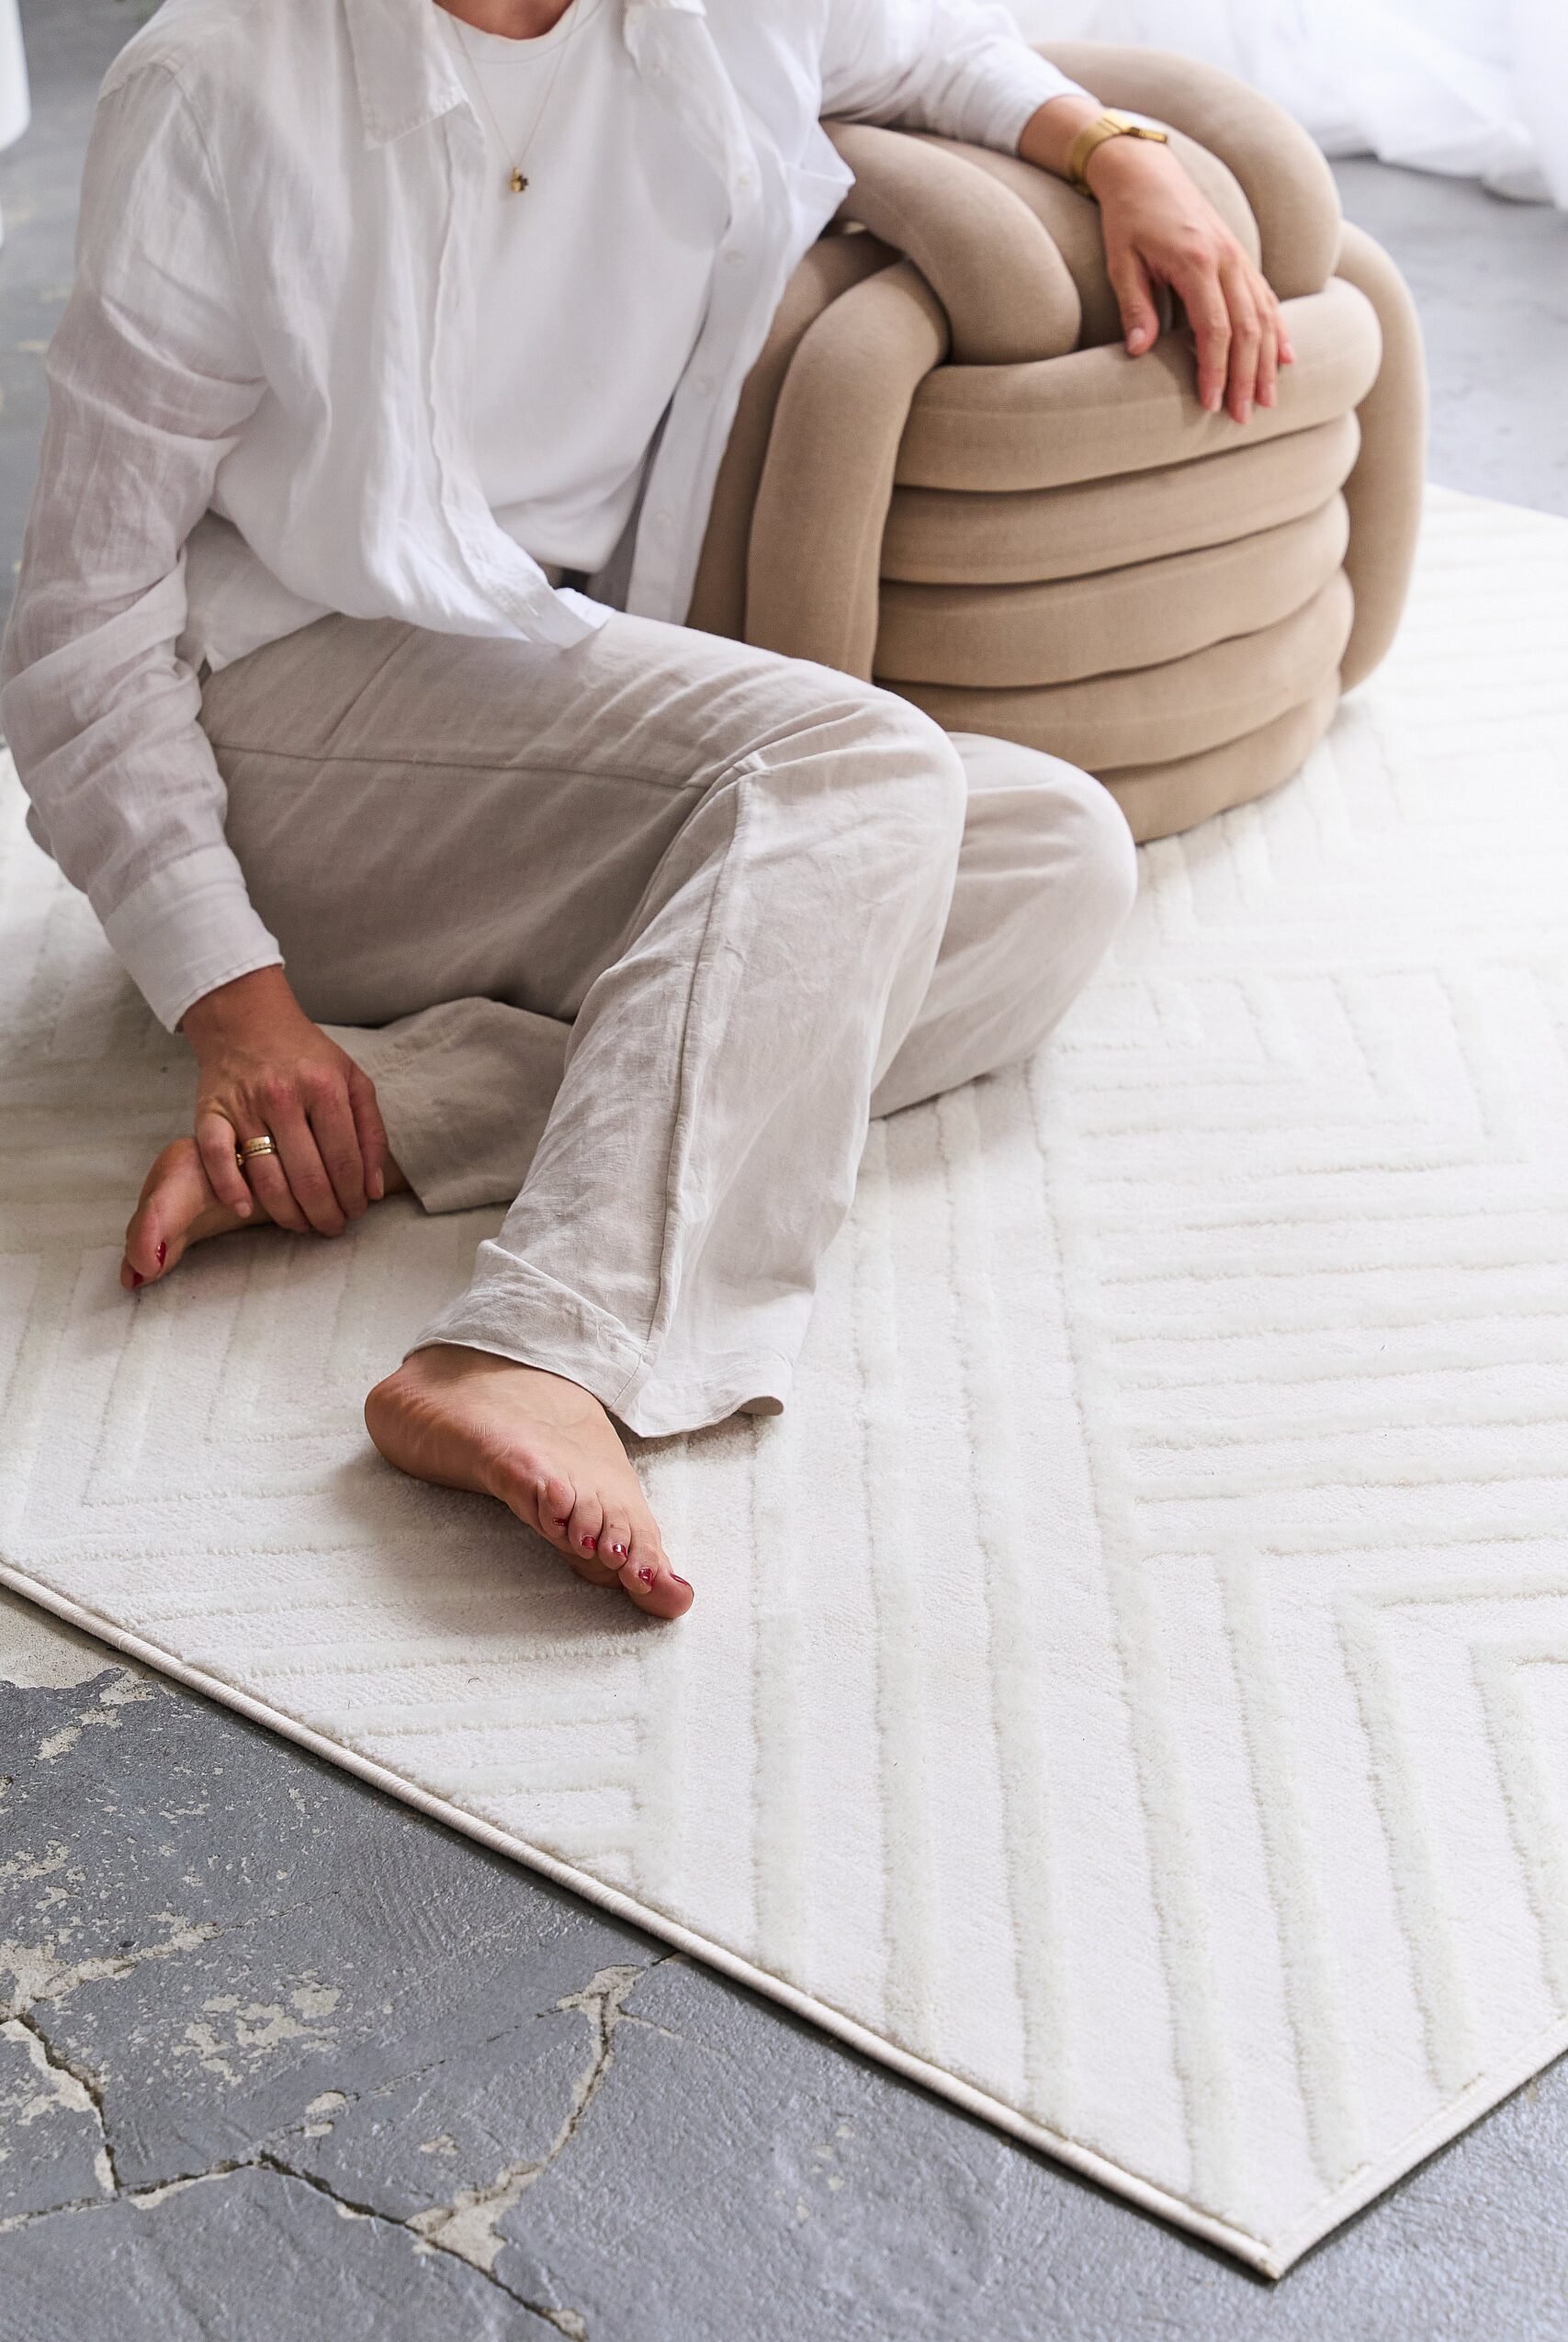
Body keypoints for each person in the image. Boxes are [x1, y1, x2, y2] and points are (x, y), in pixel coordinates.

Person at [0, 0, 1291, 1619]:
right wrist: (236, 1004)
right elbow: (83, 624)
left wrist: (1116, 152)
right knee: (861, 768)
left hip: (538, 689)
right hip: (278, 731)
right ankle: (543, 1346)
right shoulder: (218, 81)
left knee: (1050, 853)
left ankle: (406, 1107)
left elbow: (925, 51)